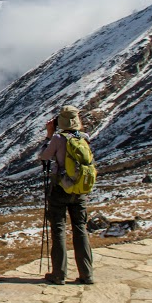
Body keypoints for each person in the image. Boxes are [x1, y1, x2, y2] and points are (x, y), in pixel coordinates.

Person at [38, 105, 95, 285]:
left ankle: (59, 273)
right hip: (80, 190)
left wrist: (48, 135)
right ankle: (87, 274)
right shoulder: (84, 138)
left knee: (59, 229)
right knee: (80, 228)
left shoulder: (57, 138)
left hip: (61, 189)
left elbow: (44, 157)